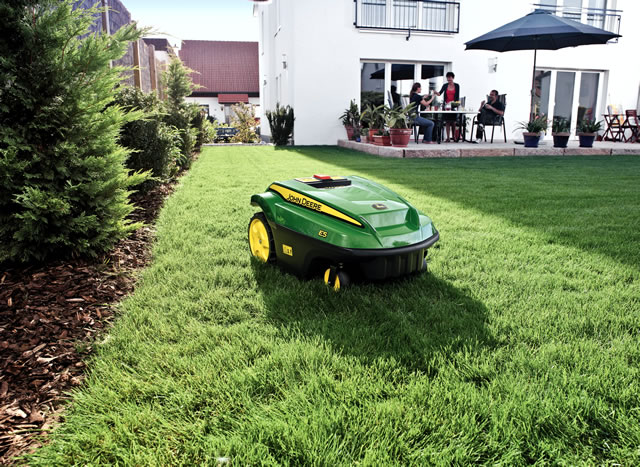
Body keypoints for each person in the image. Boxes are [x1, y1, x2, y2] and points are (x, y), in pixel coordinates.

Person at [434, 71, 460, 142]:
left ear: (453, 78)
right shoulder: (445, 85)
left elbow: (457, 96)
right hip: (446, 105)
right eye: (448, 78)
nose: (449, 80)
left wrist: (455, 104)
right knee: (447, 121)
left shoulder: (457, 86)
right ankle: (448, 137)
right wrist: (436, 93)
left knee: (453, 122)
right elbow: (440, 93)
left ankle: (454, 136)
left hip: (454, 105)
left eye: (450, 78)